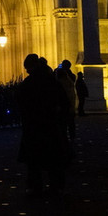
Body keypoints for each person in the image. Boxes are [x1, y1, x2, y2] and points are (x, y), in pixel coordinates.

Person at [16, 54, 70, 197]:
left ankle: (35, 186)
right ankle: (56, 186)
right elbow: (64, 102)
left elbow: (20, 104)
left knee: (33, 160)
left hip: (33, 127)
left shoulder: (27, 84)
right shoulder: (52, 82)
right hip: (50, 125)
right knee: (53, 159)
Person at [54, 60, 77, 140]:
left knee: (63, 124)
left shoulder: (60, 80)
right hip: (70, 102)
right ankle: (71, 137)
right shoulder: (72, 76)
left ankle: (64, 139)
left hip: (63, 104)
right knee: (70, 123)